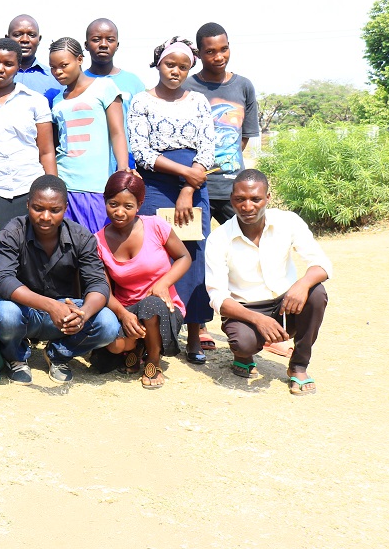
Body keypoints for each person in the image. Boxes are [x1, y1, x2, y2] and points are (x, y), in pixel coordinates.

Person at [127, 36, 216, 363]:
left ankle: (193, 334)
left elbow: (208, 147)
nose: (176, 71)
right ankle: (152, 334)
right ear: (158, 64)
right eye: (169, 64)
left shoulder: (199, 101)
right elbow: (140, 150)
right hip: (154, 185)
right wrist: (184, 175)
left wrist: (190, 186)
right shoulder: (141, 101)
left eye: (183, 66)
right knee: (154, 256)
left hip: (193, 184)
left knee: (191, 256)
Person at [205, 170, 331, 395]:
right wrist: (258, 319)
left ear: (268, 198)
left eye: (256, 199)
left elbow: (321, 263)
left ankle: (298, 366)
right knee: (243, 343)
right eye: (240, 199)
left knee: (316, 293)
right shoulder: (219, 238)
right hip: (245, 310)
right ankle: (243, 354)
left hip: (287, 303)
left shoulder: (287, 221)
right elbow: (218, 298)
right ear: (231, 200)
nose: (247, 206)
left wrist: (301, 285)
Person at [0, 175, 119, 384]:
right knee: (5, 314)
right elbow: (3, 279)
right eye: (38, 208)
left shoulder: (81, 237)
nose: (45, 217)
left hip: (64, 314)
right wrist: (50, 306)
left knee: (108, 324)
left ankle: (58, 354)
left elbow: (98, 283)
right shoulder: (13, 231)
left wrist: (83, 315)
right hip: (24, 310)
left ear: (66, 208)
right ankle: (16, 357)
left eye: (54, 210)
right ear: (27, 204)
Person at [95, 172, 191, 388]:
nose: (119, 212)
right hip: (127, 309)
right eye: (113, 204)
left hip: (164, 308)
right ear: (105, 201)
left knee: (152, 304)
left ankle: (153, 360)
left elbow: (185, 257)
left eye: (128, 206)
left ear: (139, 205)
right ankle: (137, 345)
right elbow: (104, 290)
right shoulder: (98, 242)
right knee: (116, 347)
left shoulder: (156, 226)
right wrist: (123, 314)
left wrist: (163, 283)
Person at [0, 37, 57, 232]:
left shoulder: (35, 101)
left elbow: (47, 151)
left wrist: (54, 190)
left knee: (32, 253)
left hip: (30, 188)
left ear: (17, 67)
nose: (0, 68)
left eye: (8, 64)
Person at [47, 37, 129, 233]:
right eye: (53, 67)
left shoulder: (105, 87)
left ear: (80, 60)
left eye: (64, 65)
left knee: (98, 245)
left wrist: (123, 168)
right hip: (65, 184)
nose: (58, 71)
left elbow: (117, 133)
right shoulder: (58, 100)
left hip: (96, 186)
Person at [182, 23, 260, 225]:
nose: (219, 57)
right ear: (199, 54)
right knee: (196, 251)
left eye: (224, 49)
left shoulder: (244, 86)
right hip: (197, 188)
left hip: (234, 188)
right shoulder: (186, 88)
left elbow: (242, 138)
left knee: (245, 246)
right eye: (210, 52)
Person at [84, 18, 147, 170]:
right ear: (86, 45)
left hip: (127, 162)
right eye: (96, 39)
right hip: (90, 164)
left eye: (110, 40)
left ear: (117, 45)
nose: (103, 44)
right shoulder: (79, 83)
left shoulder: (133, 83)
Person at [0, 15, 61, 104]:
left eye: (31, 35)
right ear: (7, 38)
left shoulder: (55, 78)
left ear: (39, 39)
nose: (25, 40)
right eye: (17, 35)